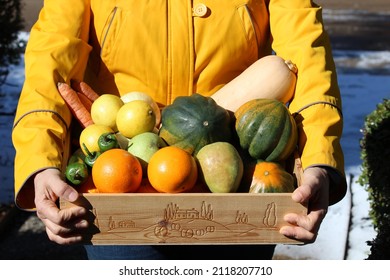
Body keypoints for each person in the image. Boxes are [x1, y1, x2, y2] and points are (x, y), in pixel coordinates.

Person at [12, 0, 347, 260]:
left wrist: (318, 157)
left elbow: (307, 49)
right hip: (123, 185)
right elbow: (52, 54)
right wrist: (39, 159)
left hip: (239, 182)